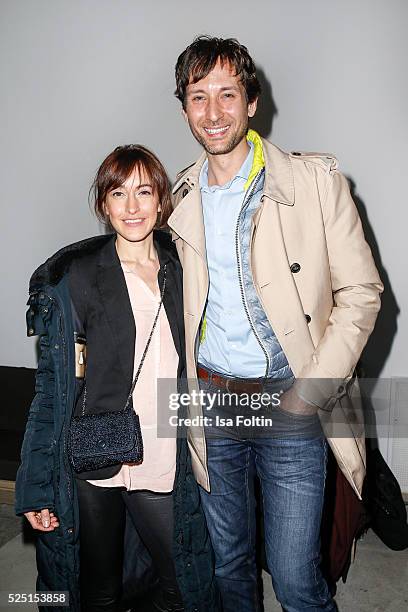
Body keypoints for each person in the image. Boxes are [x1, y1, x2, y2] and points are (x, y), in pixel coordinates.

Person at [168, 36, 383, 611]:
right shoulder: (179, 197)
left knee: (294, 578)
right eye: (197, 97)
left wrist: (310, 394)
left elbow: (361, 292)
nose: (212, 113)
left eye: (227, 95)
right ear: (184, 107)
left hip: (289, 401)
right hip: (213, 402)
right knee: (229, 565)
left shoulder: (314, 181)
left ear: (252, 101)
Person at [15, 145, 218, 612]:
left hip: (164, 452)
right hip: (95, 456)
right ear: (103, 204)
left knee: (183, 582)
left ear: (161, 200)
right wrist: (35, 486)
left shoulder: (184, 270)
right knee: (99, 591)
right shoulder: (78, 278)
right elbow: (54, 389)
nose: (132, 207)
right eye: (118, 193)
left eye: (144, 192)